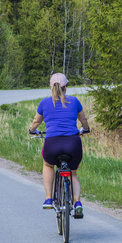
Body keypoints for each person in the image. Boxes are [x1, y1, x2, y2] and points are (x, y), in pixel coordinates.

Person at [28, 72, 90, 218]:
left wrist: (32, 130)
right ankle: (77, 203)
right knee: (72, 173)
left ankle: (49, 198)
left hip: (52, 143)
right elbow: (83, 119)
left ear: (51, 87)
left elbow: (36, 121)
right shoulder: (75, 101)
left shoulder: (44, 103)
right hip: (73, 143)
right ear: (65, 87)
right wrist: (85, 129)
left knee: (48, 165)